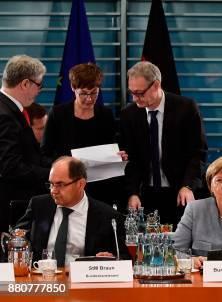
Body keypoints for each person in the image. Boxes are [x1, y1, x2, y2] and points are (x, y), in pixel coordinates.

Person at [119, 61, 207, 224]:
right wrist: (132, 193)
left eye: (139, 93)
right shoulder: (128, 115)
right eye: (132, 93)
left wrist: (188, 186)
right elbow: (131, 160)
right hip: (145, 194)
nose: (135, 99)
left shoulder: (186, 108)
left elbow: (198, 153)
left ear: (156, 85)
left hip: (179, 192)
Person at [15, 156, 130, 266]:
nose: (53, 191)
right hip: (42, 278)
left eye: (60, 185)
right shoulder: (39, 206)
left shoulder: (108, 216)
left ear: (80, 184)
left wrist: (112, 258)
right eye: (51, 184)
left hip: (84, 282)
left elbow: (124, 258)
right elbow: (16, 237)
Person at [41, 63, 126, 206]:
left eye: (94, 93)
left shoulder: (105, 114)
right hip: (68, 187)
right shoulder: (58, 114)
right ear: (73, 88)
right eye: (84, 93)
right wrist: (65, 167)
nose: (89, 98)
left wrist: (118, 157)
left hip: (101, 189)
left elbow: (112, 147)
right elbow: (44, 154)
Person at [0, 55, 51, 232]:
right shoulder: (5, 115)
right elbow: (11, 167)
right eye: (38, 85)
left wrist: (64, 165)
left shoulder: (8, 108)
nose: (39, 91)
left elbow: (31, 156)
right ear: (24, 84)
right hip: (11, 208)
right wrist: (53, 174)